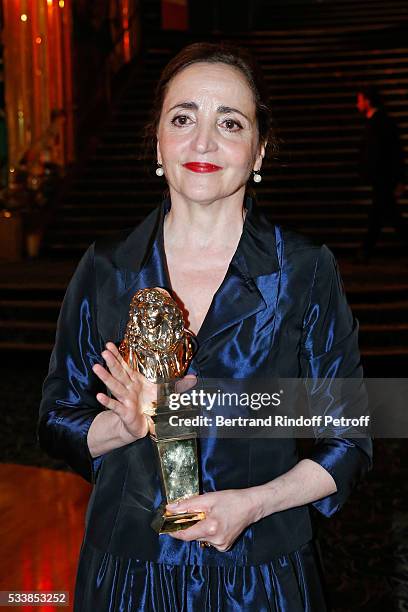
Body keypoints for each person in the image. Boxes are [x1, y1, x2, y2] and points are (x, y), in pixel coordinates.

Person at [38, 42, 373, 611]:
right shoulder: (105, 266)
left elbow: (351, 438)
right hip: (128, 573)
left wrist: (254, 503)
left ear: (259, 151)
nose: (203, 142)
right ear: (159, 143)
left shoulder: (304, 271)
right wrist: (126, 425)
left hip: (260, 574)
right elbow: (55, 419)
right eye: (184, 118)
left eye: (231, 122)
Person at [356, 85, 407, 263]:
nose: (358, 103)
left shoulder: (381, 123)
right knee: (383, 215)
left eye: (360, 99)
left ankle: (365, 252)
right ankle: (365, 251)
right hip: (381, 179)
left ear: (368, 101)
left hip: (383, 178)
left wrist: (400, 179)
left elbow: (393, 152)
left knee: (383, 216)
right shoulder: (376, 122)